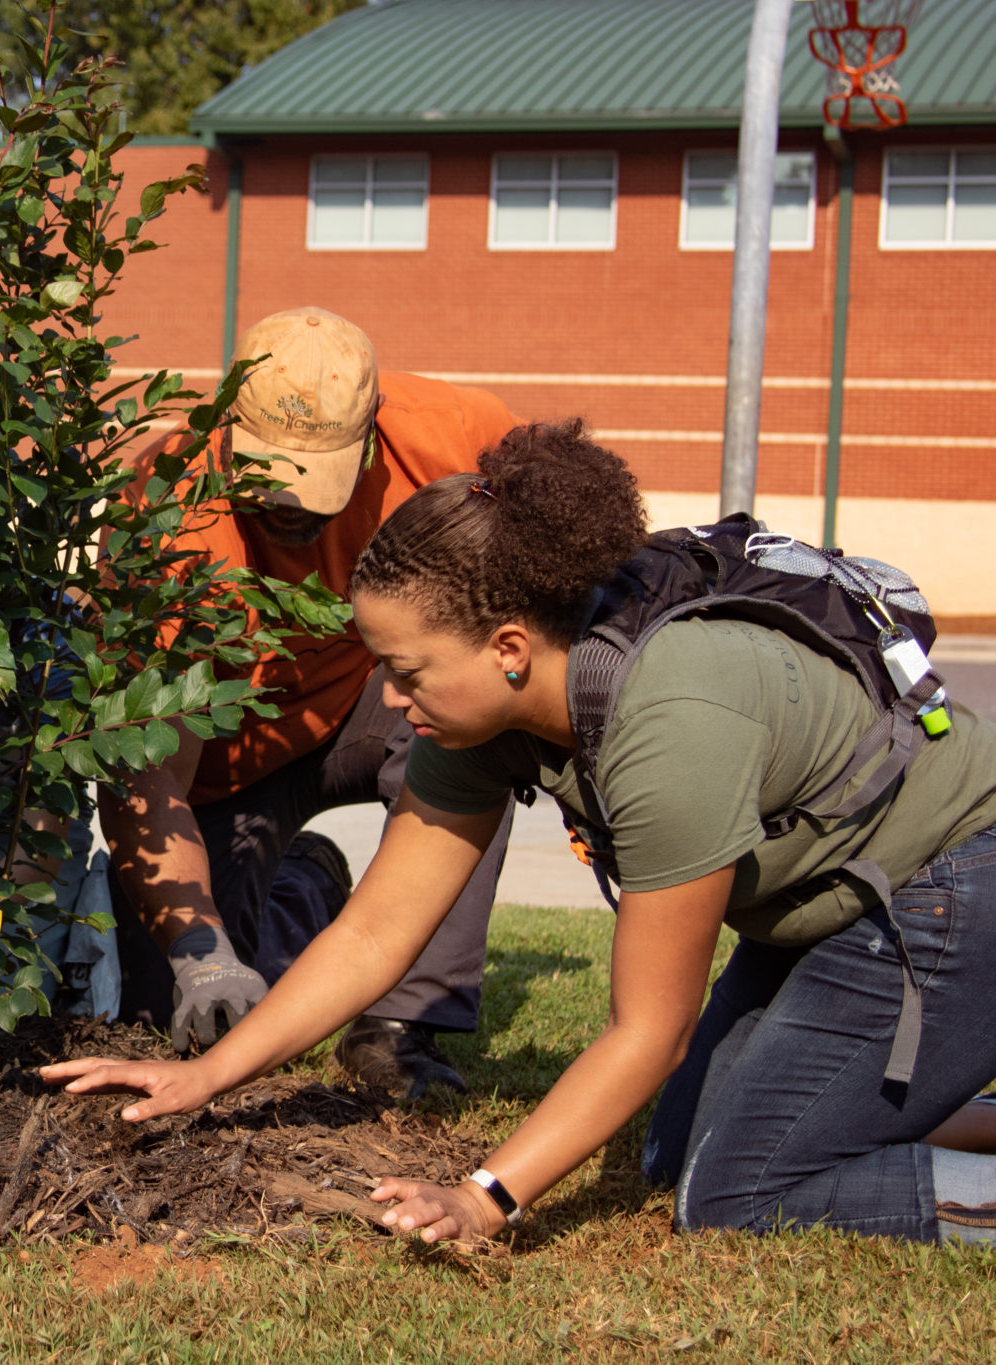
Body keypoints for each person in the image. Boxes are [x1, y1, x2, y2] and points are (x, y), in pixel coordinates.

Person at [49, 419, 996, 1247]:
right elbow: (376, 932)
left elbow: (648, 1029)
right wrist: (204, 1074)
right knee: (672, 1148)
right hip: (828, 906)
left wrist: (486, 1195)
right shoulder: (481, 716)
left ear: (508, 649)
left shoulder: (672, 719)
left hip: (950, 888)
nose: (389, 697)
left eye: (407, 669)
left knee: (734, 1189)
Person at [101, 305, 522, 1095]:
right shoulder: (160, 508)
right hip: (232, 756)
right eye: (270, 480)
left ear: (371, 432)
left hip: (376, 697)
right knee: (191, 1015)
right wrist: (201, 954)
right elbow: (143, 767)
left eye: (316, 476)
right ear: (226, 424)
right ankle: (307, 889)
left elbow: (574, 548)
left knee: (475, 727)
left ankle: (402, 1024)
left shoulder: (456, 434)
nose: (292, 505)